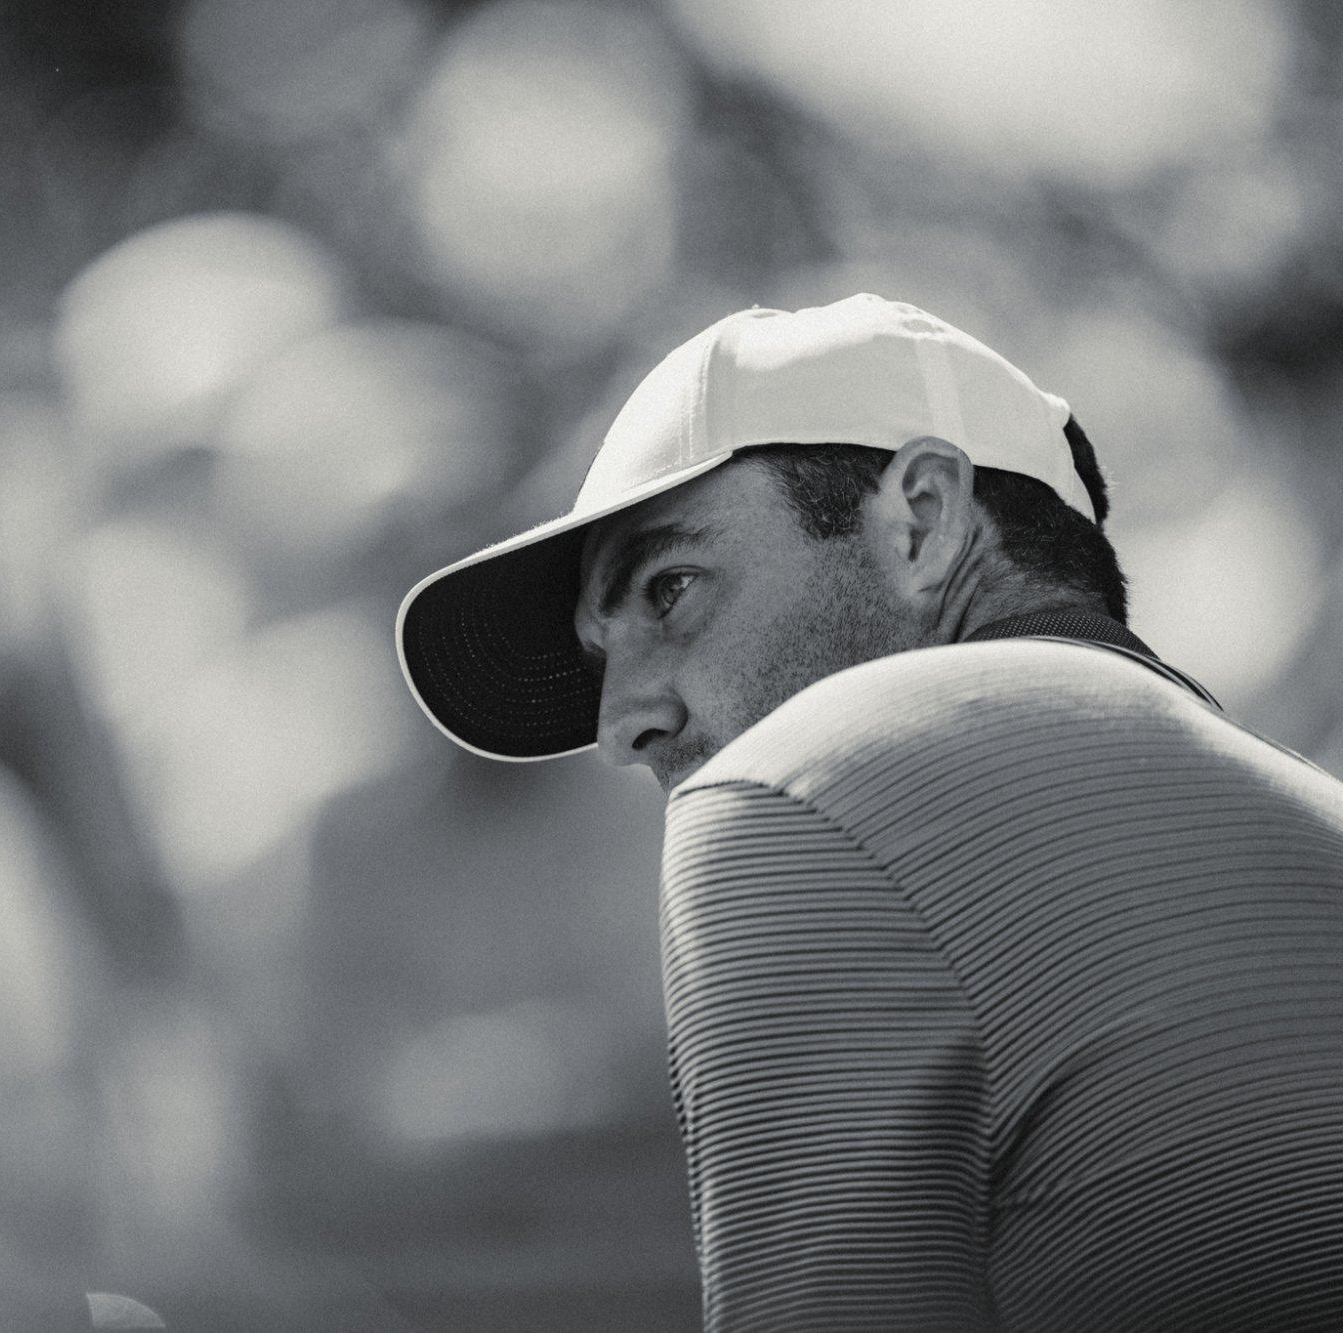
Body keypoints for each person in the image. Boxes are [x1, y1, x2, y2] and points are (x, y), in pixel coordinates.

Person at [395, 293, 1343, 1331]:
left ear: (923, 522)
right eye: (598, 658)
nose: (619, 723)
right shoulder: (1308, 813)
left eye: (669, 589)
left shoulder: (795, 785)